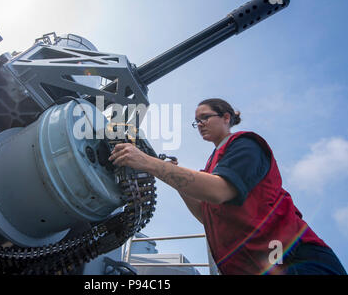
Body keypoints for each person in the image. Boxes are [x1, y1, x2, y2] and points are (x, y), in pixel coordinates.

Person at [108, 98, 346, 275]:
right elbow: (206, 214)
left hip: (296, 261)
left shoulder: (244, 144)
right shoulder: (212, 166)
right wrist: (168, 176)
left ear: (226, 117)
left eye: (205, 117)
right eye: (196, 121)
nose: (199, 123)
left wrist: (148, 163)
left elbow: (219, 191)